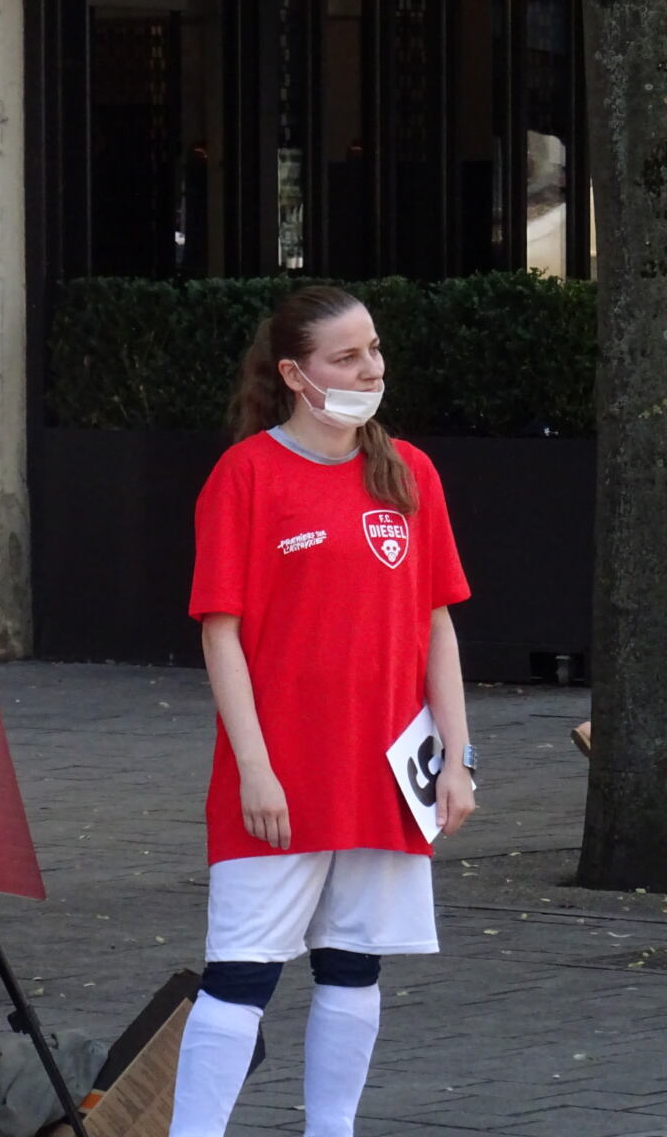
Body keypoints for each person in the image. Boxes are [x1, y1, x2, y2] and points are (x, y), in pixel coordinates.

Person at [170, 285, 477, 1137]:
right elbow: (219, 635)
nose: (370, 368)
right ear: (295, 375)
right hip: (280, 778)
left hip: (384, 771)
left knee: (352, 967)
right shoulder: (247, 475)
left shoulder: (411, 471)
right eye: (347, 356)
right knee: (240, 974)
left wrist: (457, 758)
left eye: (374, 349)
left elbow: (436, 625)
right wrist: (257, 769)